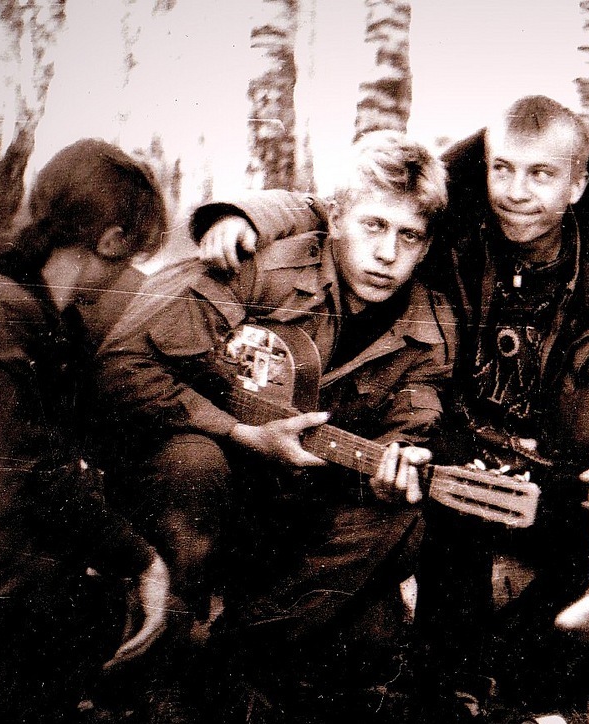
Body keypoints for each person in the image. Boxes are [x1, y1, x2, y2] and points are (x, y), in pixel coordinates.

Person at [197, 96, 589, 716]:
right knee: (430, 498)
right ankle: (443, 688)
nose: (516, 192)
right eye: (502, 169)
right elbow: (350, 204)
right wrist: (247, 215)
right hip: (454, 451)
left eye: (541, 175)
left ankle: (554, 675)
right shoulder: (454, 239)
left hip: (561, 470)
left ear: (577, 186)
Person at [96, 130, 454, 723]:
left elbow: (413, 423)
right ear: (335, 218)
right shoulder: (263, 265)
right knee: (194, 462)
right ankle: (167, 648)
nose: (387, 253)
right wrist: (240, 433)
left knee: (392, 567)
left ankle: (230, 656)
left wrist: (398, 462)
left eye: (408, 235)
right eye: (372, 225)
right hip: (208, 490)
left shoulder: (431, 326)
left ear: (427, 245)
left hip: (300, 515)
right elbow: (122, 365)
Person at [0, 138, 171, 723]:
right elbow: (5, 484)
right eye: (132, 256)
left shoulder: (42, 311)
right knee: (28, 572)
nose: (131, 276)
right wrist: (140, 559)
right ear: (112, 241)